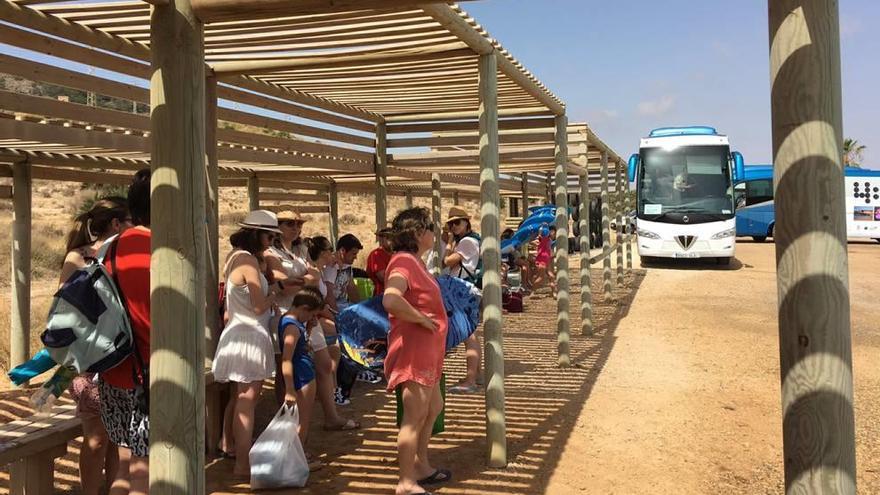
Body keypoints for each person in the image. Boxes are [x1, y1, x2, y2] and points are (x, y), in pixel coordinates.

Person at [60, 197, 130, 495]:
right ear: (116, 223)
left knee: (117, 436)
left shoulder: (123, 254)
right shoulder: (79, 258)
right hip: (89, 361)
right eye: (129, 221)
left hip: (120, 358)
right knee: (96, 438)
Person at [383, 207, 451, 495]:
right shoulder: (403, 263)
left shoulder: (415, 261)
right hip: (415, 351)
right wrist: (422, 319)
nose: (434, 234)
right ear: (417, 233)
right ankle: (405, 482)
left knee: (431, 409)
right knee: (414, 417)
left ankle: (421, 465)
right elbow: (391, 299)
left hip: (428, 351)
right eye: (430, 228)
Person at [212, 210, 283, 477]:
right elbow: (257, 305)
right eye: (268, 235)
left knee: (238, 396)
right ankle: (243, 461)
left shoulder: (234, 258)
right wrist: (274, 293)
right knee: (248, 400)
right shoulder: (249, 262)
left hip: (237, 333)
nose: (270, 241)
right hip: (250, 336)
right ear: (256, 234)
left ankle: (228, 444)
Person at [98, 169, 150, 495]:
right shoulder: (166, 250)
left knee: (123, 466)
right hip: (151, 375)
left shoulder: (110, 247)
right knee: (146, 473)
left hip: (112, 370)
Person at [304, 236, 361, 428]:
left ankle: (333, 394)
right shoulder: (320, 272)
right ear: (323, 253)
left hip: (316, 319)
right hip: (312, 321)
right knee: (334, 350)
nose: (333, 255)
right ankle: (333, 393)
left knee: (331, 357)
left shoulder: (321, 271)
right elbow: (322, 299)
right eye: (330, 252)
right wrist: (336, 316)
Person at [264, 210, 309, 404]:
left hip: (302, 314)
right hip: (281, 315)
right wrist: (304, 280)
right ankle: (284, 413)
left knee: (298, 362)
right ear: (277, 227)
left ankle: (295, 411)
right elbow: (282, 284)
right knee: (284, 366)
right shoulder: (270, 253)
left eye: (299, 224)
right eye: (290, 224)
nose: (296, 228)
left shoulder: (300, 251)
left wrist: (298, 281)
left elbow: (315, 278)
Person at [278, 286, 325, 469]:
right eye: (311, 315)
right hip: (302, 377)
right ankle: (295, 461)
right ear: (304, 308)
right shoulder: (292, 328)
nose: (312, 319)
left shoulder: (289, 321)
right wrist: (289, 388)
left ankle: (298, 453)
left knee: (300, 420)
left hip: (302, 373)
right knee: (302, 422)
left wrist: (310, 329)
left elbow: (300, 348)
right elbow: (287, 358)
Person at [443, 207, 482, 394]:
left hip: (463, 289)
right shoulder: (472, 240)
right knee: (470, 333)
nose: (453, 226)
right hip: (467, 289)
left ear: (467, 222)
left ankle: (471, 379)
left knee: (468, 334)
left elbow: (447, 261)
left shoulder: (466, 242)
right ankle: (475, 374)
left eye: (457, 222)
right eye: (451, 224)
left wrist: (449, 242)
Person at [323, 233, 364, 312]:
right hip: (333, 309)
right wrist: (338, 317)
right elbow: (329, 295)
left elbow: (351, 288)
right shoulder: (332, 267)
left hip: (344, 305)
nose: (356, 257)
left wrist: (362, 308)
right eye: (353, 254)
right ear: (342, 250)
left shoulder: (347, 265)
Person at [366, 227, 393, 297]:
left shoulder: (397, 254)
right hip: (381, 295)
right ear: (381, 240)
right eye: (386, 237)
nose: (392, 240)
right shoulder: (376, 254)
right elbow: (383, 278)